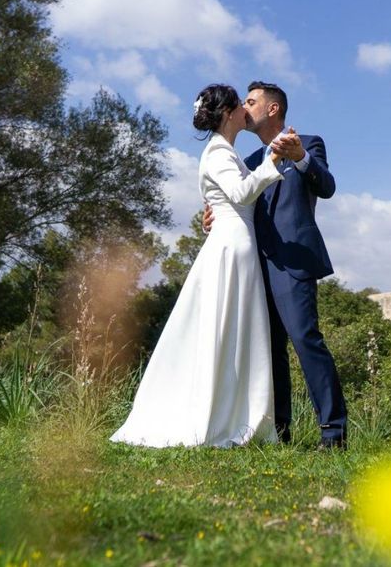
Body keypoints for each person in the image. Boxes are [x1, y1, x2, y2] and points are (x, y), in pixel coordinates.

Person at [111, 84, 288, 448]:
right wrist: (272, 163)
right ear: (227, 114)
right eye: (240, 105)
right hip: (231, 246)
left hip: (237, 241)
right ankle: (217, 417)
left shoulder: (226, 152)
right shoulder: (219, 153)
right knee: (225, 328)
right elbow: (240, 194)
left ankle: (236, 413)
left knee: (234, 330)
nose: (244, 110)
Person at [205, 81, 348, 449]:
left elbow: (328, 187)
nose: (243, 107)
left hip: (292, 264)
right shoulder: (247, 161)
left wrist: (300, 156)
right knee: (269, 352)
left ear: (272, 109)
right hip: (252, 267)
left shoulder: (310, 143)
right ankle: (278, 432)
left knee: (306, 341)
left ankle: (333, 434)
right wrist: (215, 217)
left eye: (250, 102)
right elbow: (238, 202)